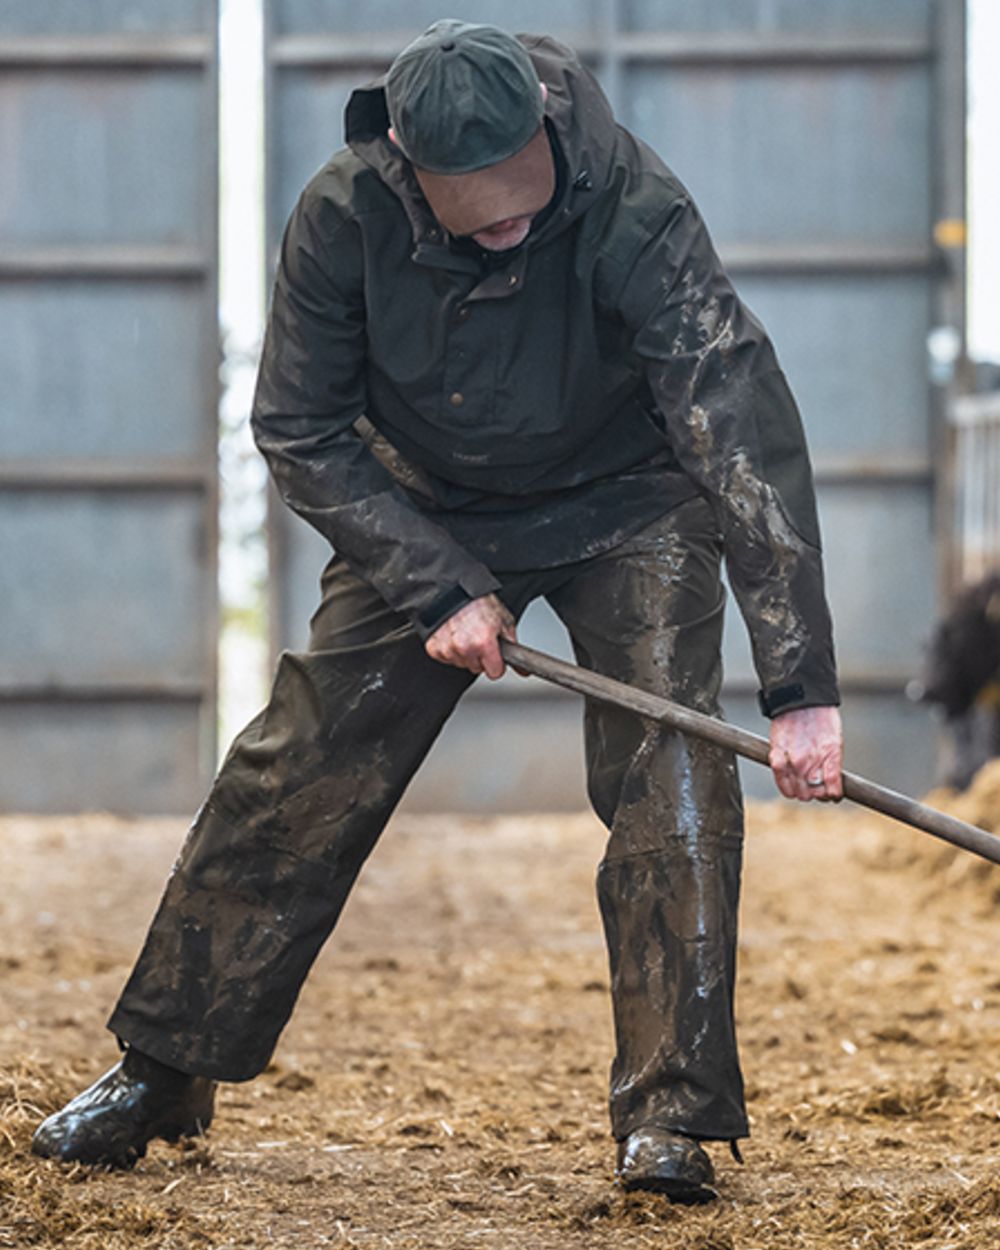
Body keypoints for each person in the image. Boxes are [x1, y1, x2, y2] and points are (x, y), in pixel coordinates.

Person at [33, 20, 844, 1203]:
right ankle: (163, 1068)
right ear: (410, 170)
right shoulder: (341, 216)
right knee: (296, 760)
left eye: (524, 197)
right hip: (421, 506)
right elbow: (299, 427)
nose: (512, 223)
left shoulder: (632, 202)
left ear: (547, 138)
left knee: (672, 767)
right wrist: (435, 583)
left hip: (628, 497)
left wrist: (800, 687)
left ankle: (671, 1112)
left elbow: (738, 424)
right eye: (482, 211)